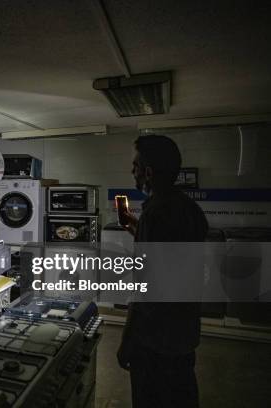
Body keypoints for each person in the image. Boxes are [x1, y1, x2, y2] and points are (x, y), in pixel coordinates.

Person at [118, 134, 208, 408]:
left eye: (135, 166)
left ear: (148, 171)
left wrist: (127, 340)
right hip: (183, 335)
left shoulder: (155, 215)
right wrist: (136, 226)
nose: (132, 171)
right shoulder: (189, 209)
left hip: (154, 341)